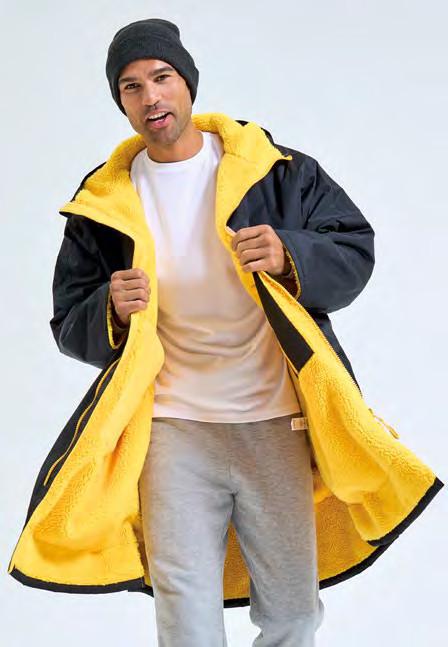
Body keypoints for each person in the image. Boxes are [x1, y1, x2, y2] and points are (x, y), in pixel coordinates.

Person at [8, 16, 444, 647]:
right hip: (171, 430)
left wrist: (290, 255)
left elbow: (354, 247)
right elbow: (68, 318)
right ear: (120, 102)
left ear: (187, 82)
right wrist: (112, 309)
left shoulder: (274, 170)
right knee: (185, 614)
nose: (151, 96)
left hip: (274, 421)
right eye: (131, 86)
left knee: (293, 612)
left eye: (162, 77)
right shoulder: (103, 201)